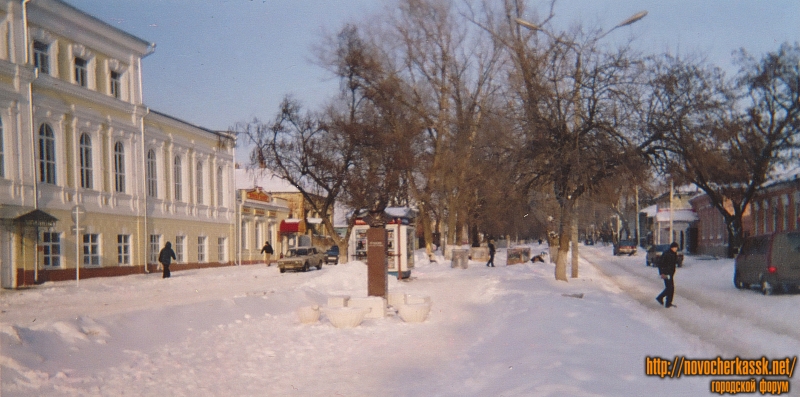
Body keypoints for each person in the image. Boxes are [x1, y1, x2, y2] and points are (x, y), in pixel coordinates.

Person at [656, 242, 679, 308]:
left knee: (671, 288)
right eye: (675, 247)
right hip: (666, 273)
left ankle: (668, 302)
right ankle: (661, 298)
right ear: (672, 247)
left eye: (676, 248)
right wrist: (662, 273)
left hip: (671, 273)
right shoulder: (666, 253)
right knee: (669, 288)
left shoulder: (674, 254)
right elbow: (660, 263)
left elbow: (673, 263)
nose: (676, 249)